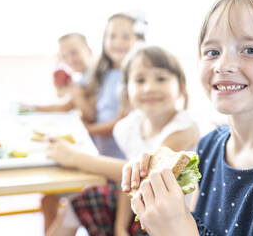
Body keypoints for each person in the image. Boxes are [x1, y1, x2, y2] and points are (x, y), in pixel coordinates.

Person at [121, 0, 253, 235]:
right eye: (212, 52)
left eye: (251, 50)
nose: (223, 65)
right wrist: (156, 194)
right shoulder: (211, 144)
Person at [47, 46, 200, 236]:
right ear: (127, 91)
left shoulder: (183, 128)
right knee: (76, 203)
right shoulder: (129, 127)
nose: (149, 87)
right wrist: (120, 227)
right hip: (138, 205)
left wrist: (75, 157)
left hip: (170, 221)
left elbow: (145, 176)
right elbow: (127, 184)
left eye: (161, 78)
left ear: (181, 88)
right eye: (140, 80)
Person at [45, 12, 148, 236]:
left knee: (59, 199)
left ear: (138, 40)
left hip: (117, 166)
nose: (117, 42)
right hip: (100, 157)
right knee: (50, 197)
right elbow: (91, 111)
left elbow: (119, 122)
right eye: (112, 36)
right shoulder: (105, 73)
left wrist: (87, 129)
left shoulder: (137, 77)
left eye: (125, 36)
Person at [20, 33, 93, 117]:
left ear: (89, 51)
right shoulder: (82, 79)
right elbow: (65, 107)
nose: (70, 60)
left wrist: (75, 91)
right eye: (64, 56)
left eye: (74, 53)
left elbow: (90, 116)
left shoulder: (96, 77)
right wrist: (33, 107)